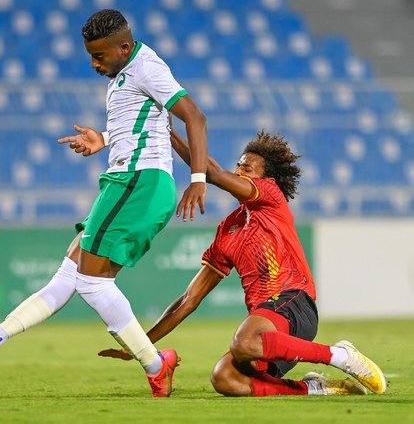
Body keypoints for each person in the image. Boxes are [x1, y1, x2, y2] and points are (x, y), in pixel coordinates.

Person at [0, 9, 209, 397]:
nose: (93, 63)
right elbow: (147, 124)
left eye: (100, 56)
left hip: (138, 183)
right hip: (129, 181)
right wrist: (104, 138)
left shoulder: (146, 67)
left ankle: (158, 365)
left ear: (123, 47)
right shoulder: (126, 72)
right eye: (90, 55)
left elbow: (194, 116)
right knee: (72, 269)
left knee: (91, 282)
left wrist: (198, 179)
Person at [99, 129, 387, 397]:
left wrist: (169, 135)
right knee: (224, 377)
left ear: (265, 180)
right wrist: (142, 345)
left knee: (243, 342)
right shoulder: (228, 230)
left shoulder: (271, 199)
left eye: (246, 169)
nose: (237, 172)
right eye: (237, 167)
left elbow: (211, 172)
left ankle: (340, 356)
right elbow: (188, 300)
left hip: (293, 302)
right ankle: (315, 387)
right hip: (269, 330)